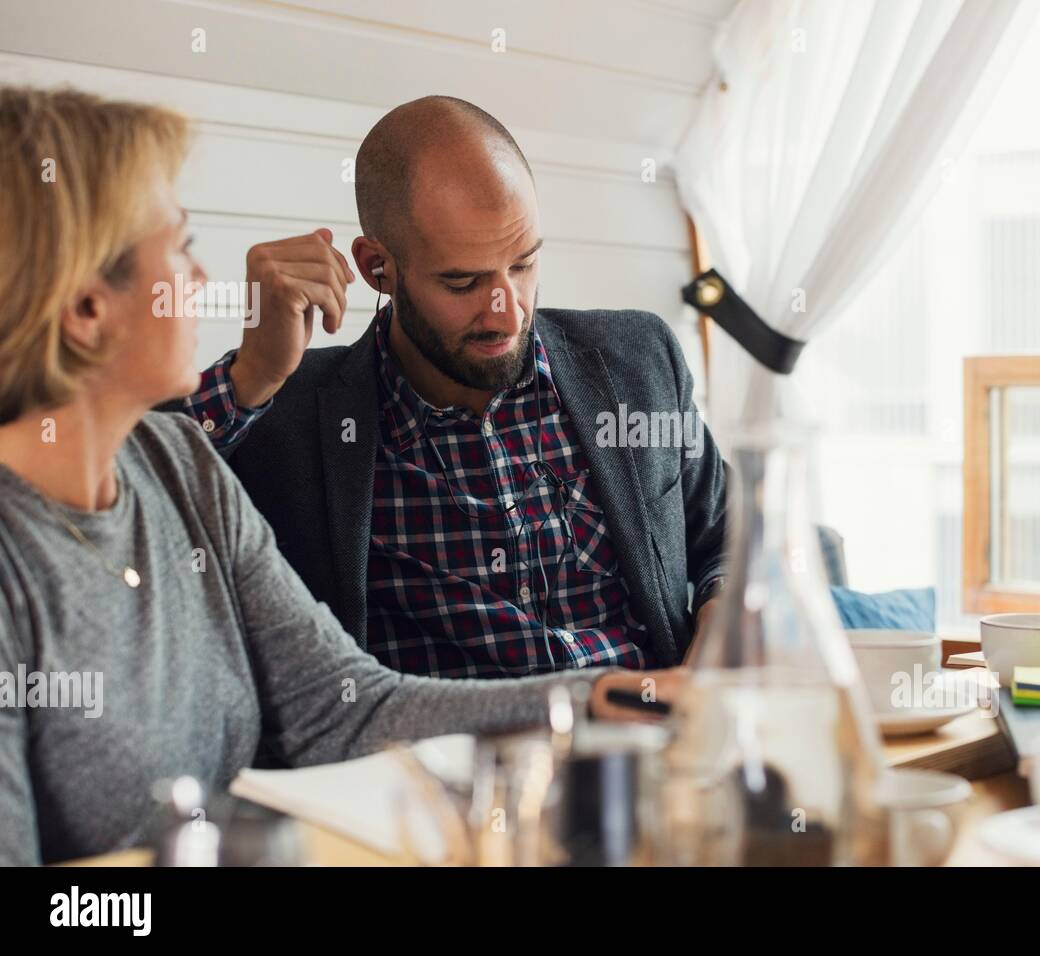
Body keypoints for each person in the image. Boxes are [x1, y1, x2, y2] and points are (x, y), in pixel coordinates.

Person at [0, 86, 680, 865]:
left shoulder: (176, 465)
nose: (201, 280)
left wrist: (605, 697)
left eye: (522, 263)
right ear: (88, 310)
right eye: (182, 247)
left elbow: (343, 706)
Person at [175, 94, 728, 679]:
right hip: (433, 757)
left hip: (649, 739)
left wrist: (715, 651)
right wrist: (252, 376)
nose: (506, 314)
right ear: (376, 266)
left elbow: (731, 532)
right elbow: (117, 492)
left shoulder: (636, 360)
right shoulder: (289, 413)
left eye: (523, 265)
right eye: (462, 282)